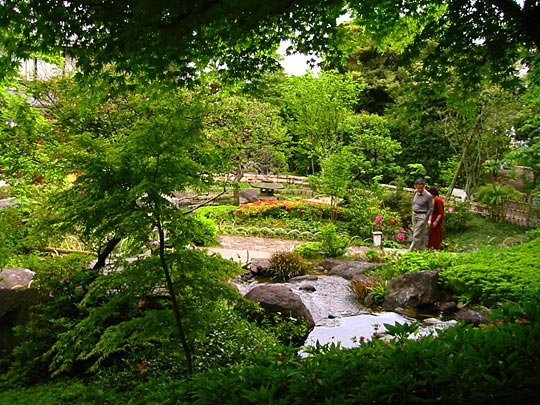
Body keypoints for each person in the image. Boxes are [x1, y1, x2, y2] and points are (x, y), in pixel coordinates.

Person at [410, 178, 433, 251]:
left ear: (424, 186)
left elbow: (431, 208)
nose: (419, 189)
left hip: (422, 215)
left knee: (416, 234)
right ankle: (421, 249)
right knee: (419, 233)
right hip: (414, 214)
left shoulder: (428, 196)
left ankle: (411, 250)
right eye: (418, 188)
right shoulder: (415, 192)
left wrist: (426, 217)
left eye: (421, 188)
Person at [427, 186, 445, 250]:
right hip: (433, 219)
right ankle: (432, 248)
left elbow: (441, 213)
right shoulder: (435, 200)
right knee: (432, 234)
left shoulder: (438, 200)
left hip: (436, 220)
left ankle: (435, 247)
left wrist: (436, 221)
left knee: (435, 235)